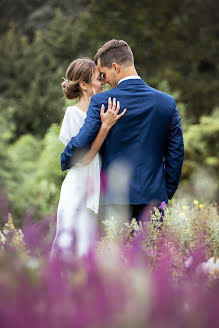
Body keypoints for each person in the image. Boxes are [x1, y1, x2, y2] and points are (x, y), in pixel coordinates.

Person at [61, 40, 184, 223]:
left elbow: (82, 141)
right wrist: (165, 192)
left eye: (104, 74)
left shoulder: (102, 102)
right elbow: (176, 153)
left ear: (115, 67)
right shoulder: (166, 103)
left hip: (114, 202)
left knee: (118, 253)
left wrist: (66, 158)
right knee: (151, 252)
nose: (106, 81)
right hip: (154, 199)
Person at [50, 58, 126, 258]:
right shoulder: (72, 114)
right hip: (77, 189)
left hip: (95, 187)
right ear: (84, 85)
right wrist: (105, 127)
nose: (103, 82)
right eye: (98, 78)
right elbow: (84, 159)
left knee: (88, 249)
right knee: (71, 250)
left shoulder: (102, 111)